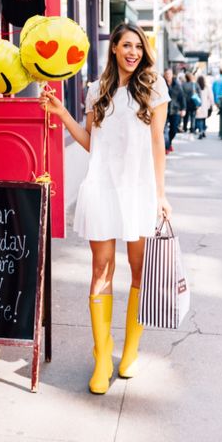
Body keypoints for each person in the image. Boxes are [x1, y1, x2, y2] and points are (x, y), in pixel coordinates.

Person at [39, 22, 172, 394]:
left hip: (139, 189)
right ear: (113, 48)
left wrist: (160, 195)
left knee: (139, 269)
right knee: (100, 269)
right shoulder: (96, 90)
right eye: (126, 45)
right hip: (102, 188)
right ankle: (102, 355)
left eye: (138, 47)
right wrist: (62, 113)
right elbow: (90, 142)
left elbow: (157, 143)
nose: (133, 52)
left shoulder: (154, 86)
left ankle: (130, 350)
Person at [163, 68, 186, 153]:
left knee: (174, 129)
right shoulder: (162, 84)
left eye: (169, 74)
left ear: (172, 75)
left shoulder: (177, 84)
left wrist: (183, 109)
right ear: (164, 75)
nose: (168, 75)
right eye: (166, 74)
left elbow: (182, 97)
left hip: (175, 110)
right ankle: (166, 146)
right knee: (164, 130)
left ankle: (169, 143)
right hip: (164, 110)